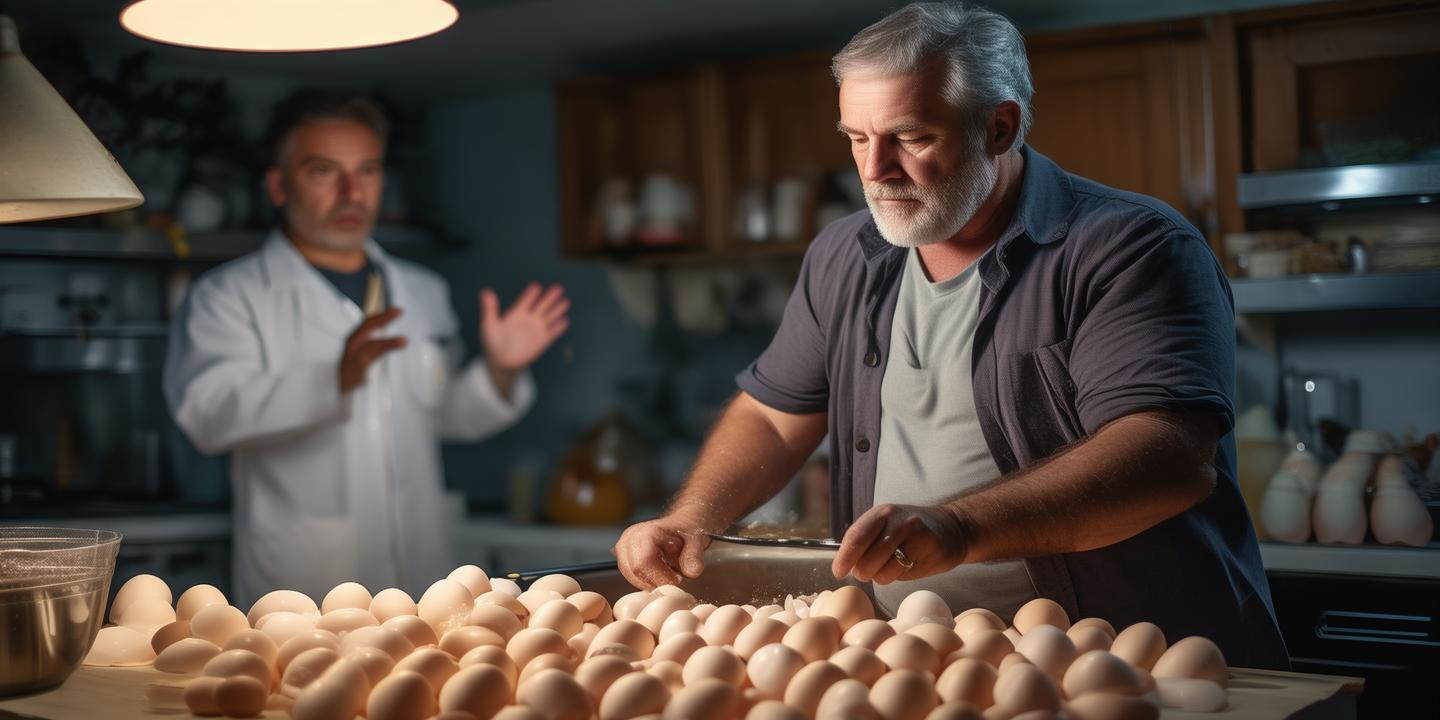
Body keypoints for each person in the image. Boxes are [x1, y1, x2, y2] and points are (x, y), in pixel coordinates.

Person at [614, 1, 1288, 669]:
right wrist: (692, 516)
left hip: (1129, 662)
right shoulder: (844, 254)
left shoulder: (1131, 248)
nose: (875, 170)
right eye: (856, 138)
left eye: (910, 136)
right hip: (922, 664)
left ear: (999, 127)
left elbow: (1166, 457)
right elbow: (771, 416)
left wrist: (960, 526)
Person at [164, 93, 569, 606]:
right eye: (323, 171)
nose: (352, 192)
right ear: (278, 185)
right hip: (304, 583)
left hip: (426, 573)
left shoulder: (422, 290)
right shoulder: (230, 295)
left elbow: (445, 417)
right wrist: (336, 379)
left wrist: (500, 372)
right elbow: (206, 416)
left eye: (368, 171)